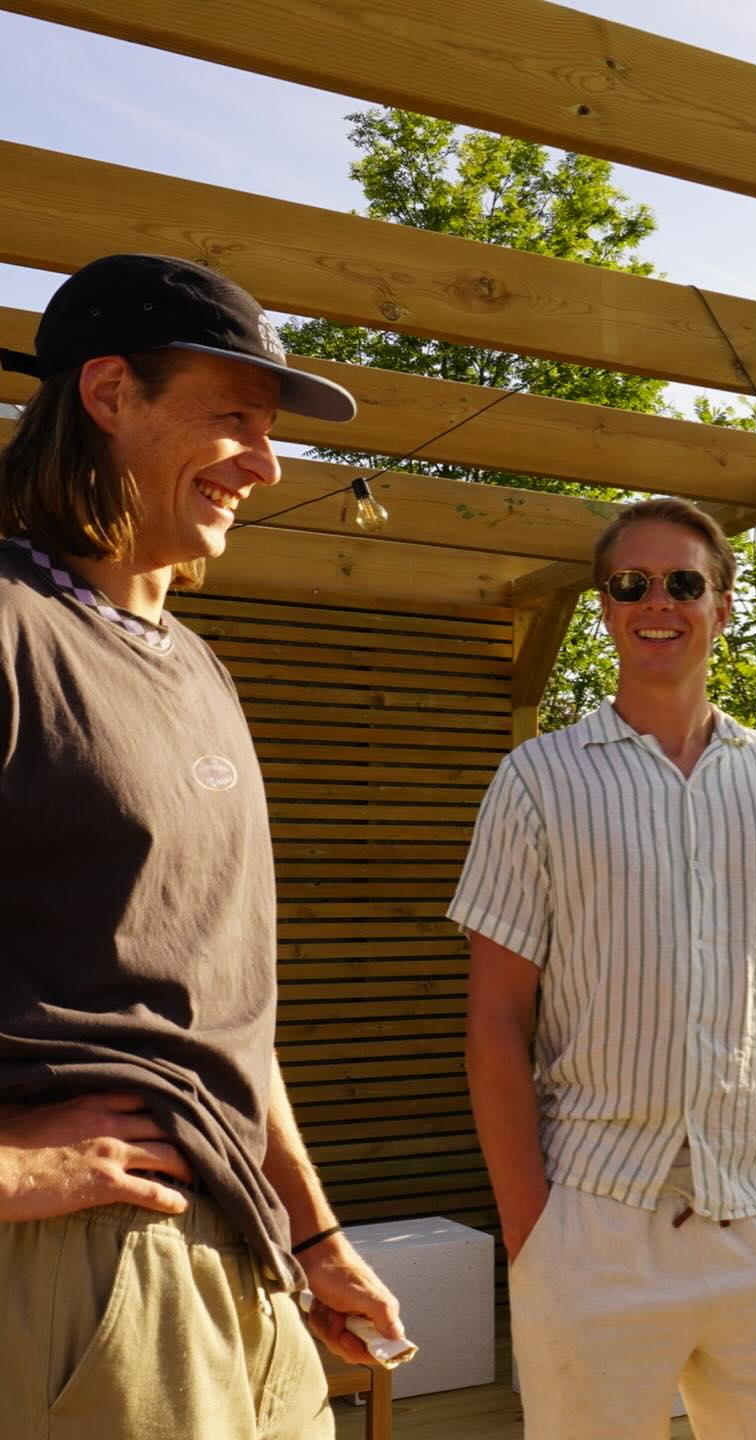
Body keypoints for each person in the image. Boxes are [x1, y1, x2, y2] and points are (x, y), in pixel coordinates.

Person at [0, 254, 402, 1439]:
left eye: (269, 430)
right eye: (234, 417)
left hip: (245, 1259)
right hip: (86, 1263)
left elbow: (224, 1006)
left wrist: (312, 1232)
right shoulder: (8, 624)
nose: (265, 463)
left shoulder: (194, 663)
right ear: (109, 393)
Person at [451, 496, 756, 1439]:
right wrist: (532, 1230)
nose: (658, 602)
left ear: (722, 606)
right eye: (631, 583)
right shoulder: (537, 781)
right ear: (604, 607)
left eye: (684, 582)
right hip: (593, 1230)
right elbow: (495, 1018)